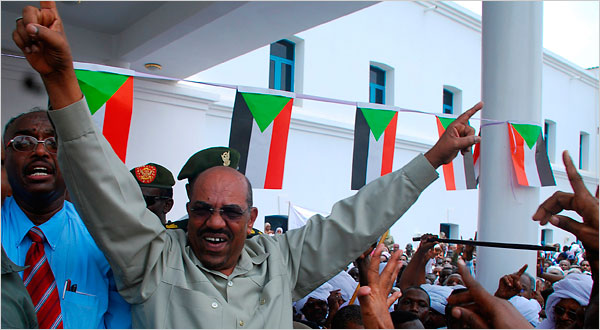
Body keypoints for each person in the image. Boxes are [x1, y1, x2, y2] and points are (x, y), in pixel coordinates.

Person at [12, 2, 481, 327]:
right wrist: (60, 81)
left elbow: (356, 219)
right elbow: (102, 184)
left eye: (231, 211)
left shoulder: (282, 263)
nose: (215, 222)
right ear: (188, 210)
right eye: (202, 209)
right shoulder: (153, 260)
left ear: (252, 218)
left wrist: (433, 159)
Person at [1, 110, 131, 328]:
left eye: (54, 142)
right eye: (24, 142)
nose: (40, 151)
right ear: (4, 156)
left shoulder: (103, 242)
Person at [169, 146, 241, 231]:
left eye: (228, 186)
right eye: (211, 187)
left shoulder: (254, 241)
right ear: (189, 192)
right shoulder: (170, 238)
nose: (216, 223)